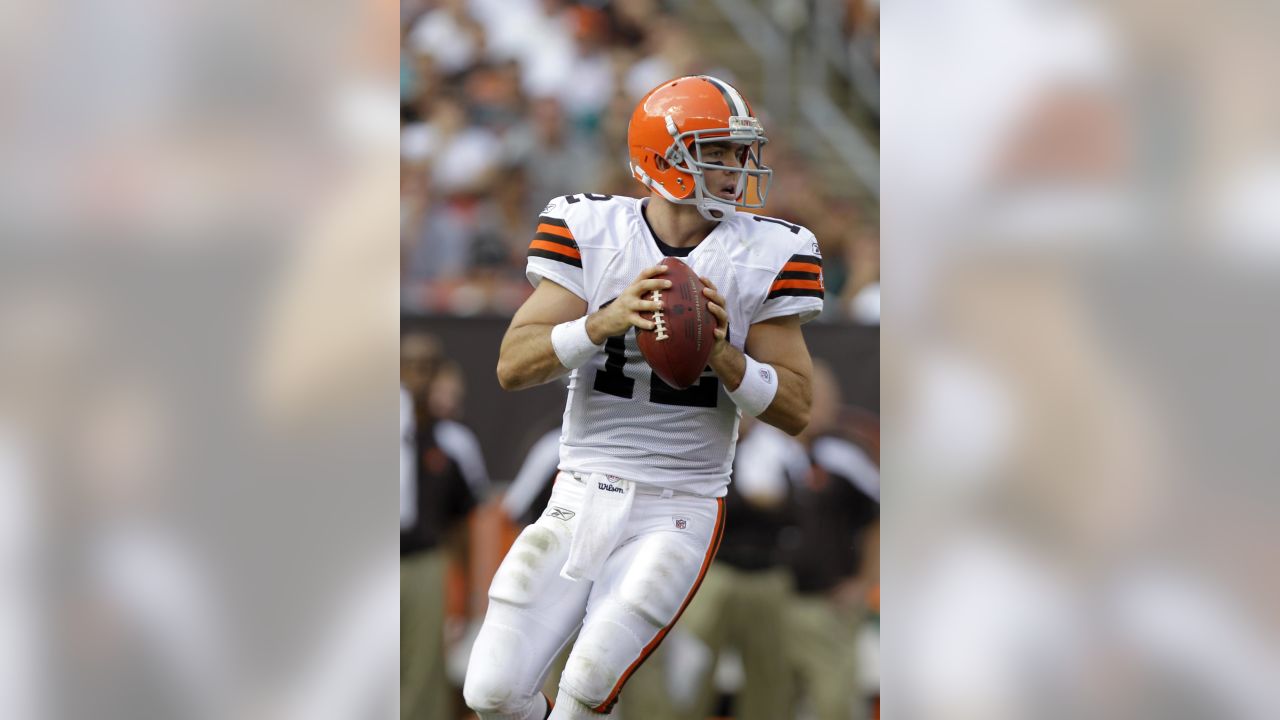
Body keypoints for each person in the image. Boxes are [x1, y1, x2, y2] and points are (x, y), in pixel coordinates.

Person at [462, 75, 826, 720]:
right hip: (581, 487)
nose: (739, 167)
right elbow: (513, 367)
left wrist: (721, 351)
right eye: (719, 150)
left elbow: (797, 407)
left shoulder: (770, 250)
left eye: (742, 151)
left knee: (588, 687)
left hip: (678, 503)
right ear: (667, 157)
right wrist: (602, 321)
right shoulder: (591, 228)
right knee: (489, 692)